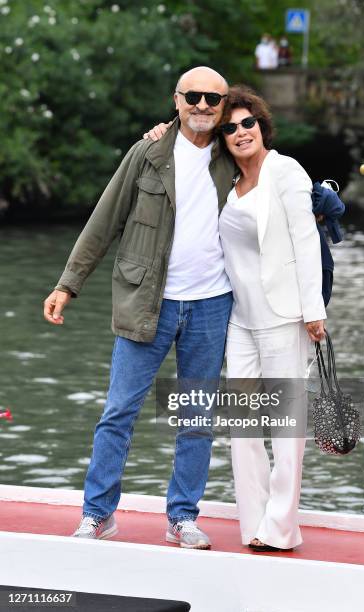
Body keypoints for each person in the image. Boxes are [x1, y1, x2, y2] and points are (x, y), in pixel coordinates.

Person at [43, 66, 235, 549]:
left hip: (211, 304)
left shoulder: (235, 154)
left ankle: (182, 518)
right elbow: (104, 220)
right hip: (146, 300)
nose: (202, 106)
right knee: (118, 412)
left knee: (196, 418)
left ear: (224, 105)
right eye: (193, 96)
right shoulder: (147, 153)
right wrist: (68, 284)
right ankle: (98, 514)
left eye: (213, 99)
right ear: (176, 100)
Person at [218, 86, 326, 551]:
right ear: (222, 137)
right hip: (241, 321)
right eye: (231, 127)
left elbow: (306, 241)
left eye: (248, 123)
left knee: (286, 431)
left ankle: (280, 528)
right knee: (239, 430)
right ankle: (255, 524)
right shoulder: (226, 182)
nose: (241, 132)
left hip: (286, 317)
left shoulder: (285, 170)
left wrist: (314, 310)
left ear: (261, 125)